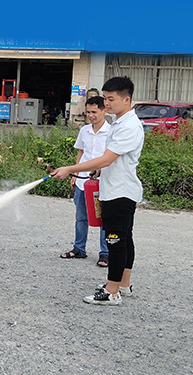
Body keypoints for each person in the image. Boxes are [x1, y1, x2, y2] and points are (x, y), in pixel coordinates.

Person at [50, 77, 144, 306]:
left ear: (126, 99)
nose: (107, 103)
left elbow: (106, 159)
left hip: (120, 192)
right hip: (115, 188)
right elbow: (111, 162)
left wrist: (70, 169)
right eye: (106, 98)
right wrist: (99, 173)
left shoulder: (129, 126)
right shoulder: (121, 122)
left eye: (111, 99)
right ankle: (123, 284)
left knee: (115, 240)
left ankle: (112, 291)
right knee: (124, 238)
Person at [59, 95, 110, 267]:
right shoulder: (84, 131)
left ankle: (105, 254)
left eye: (94, 112)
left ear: (104, 110)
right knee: (81, 217)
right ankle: (79, 248)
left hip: (103, 182)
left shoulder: (111, 132)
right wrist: (74, 173)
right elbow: (81, 153)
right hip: (82, 182)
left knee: (104, 219)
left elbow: (111, 158)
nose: (91, 115)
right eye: (88, 112)